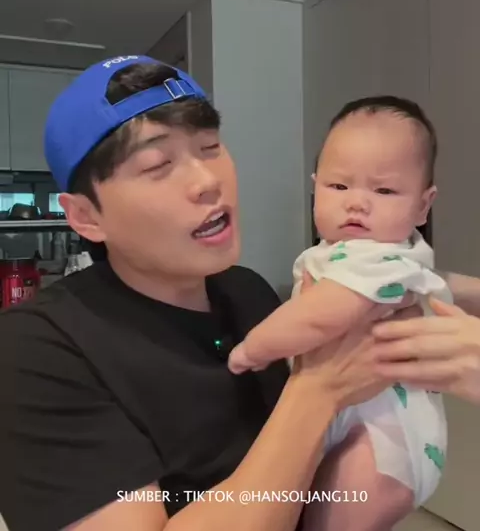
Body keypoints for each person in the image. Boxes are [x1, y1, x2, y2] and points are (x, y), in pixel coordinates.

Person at [0, 56, 414, 531]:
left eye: (210, 147)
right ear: (86, 217)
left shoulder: (247, 289)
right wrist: (318, 391)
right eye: (158, 165)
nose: (207, 181)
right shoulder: (35, 349)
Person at [227, 96, 452, 530]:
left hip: (385, 445)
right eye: (339, 187)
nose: (357, 203)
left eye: (383, 191)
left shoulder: (378, 256)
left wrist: (254, 347)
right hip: (358, 425)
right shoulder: (348, 251)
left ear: (423, 206)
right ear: (316, 187)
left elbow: (323, 314)